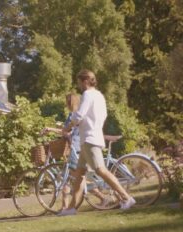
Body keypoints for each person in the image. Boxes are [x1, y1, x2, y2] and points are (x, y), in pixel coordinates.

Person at [58, 69, 136, 216]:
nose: (79, 85)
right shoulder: (99, 95)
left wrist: (66, 128)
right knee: (79, 174)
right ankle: (71, 209)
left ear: (85, 81)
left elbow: (79, 115)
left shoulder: (87, 94)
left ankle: (126, 198)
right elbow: (103, 114)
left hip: (89, 138)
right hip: (92, 136)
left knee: (100, 170)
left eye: (79, 82)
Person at [43, 93, 109, 209]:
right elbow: (69, 132)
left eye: (67, 102)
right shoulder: (80, 114)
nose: (66, 104)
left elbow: (66, 131)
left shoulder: (73, 115)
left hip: (75, 149)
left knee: (75, 177)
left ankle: (103, 198)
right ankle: (65, 206)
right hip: (78, 148)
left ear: (70, 102)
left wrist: (50, 129)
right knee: (68, 177)